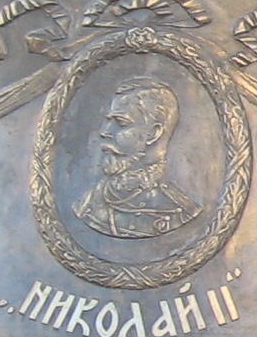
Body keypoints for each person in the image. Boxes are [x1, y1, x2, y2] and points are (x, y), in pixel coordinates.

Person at [75, 74, 202, 240]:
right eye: (108, 121)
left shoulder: (178, 212)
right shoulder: (86, 204)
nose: (105, 132)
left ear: (153, 133)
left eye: (120, 123)